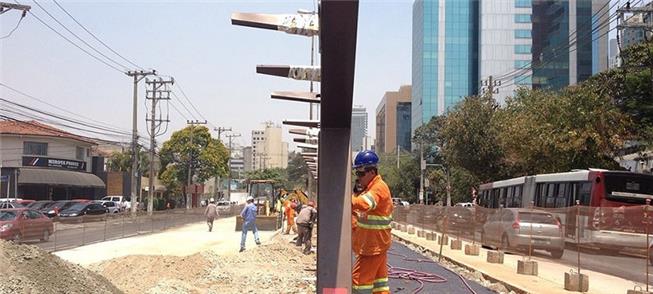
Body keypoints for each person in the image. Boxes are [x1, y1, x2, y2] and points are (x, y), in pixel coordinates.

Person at [351, 150, 393, 294]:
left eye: (361, 173)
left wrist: (344, 198)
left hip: (372, 245)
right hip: (375, 244)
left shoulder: (379, 188)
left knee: (359, 282)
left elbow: (364, 204)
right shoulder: (370, 188)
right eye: (357, 173)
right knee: (380, 284)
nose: (359, 177)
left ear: (372, 172)